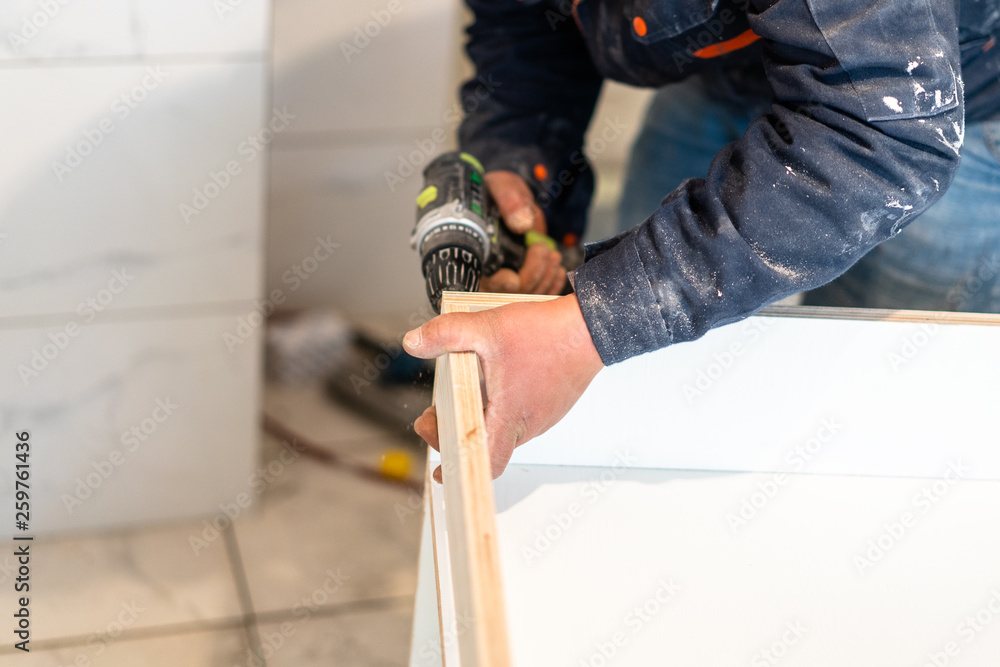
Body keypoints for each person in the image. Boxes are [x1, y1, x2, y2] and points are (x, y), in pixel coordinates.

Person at [403, 0, 1000, 480]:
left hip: (933, 116)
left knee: (879, 433)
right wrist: (520, 159)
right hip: (732, 72)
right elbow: (528, 25)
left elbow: (877, 134)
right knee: (635, 399)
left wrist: (592, 322)